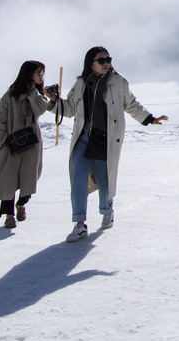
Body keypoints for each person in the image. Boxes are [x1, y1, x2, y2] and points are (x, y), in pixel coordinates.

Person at [55, 46, 169, 242]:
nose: (106, 63)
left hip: (106, 137)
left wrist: (149, 119)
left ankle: (107, 211)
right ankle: (79, 224)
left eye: (108, 59)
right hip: (83, 136)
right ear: (90, 63)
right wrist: (52, 101)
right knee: (78, 180)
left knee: (104, 179)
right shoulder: (81, 83)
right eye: (101, 60)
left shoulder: (118, 82)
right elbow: (69, 108)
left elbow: (131, 104)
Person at [0, 60, 57, 228]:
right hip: (12, 145)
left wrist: (34, 93)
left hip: (32, 145)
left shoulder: (37, 94)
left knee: (29, 178)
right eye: (38, 73)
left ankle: (21, 204)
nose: (41, 76)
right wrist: (3, 141)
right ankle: (9, 215)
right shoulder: (10, 96)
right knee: (8, 180)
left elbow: (41, 110)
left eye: (42, 73)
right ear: (28, 74)